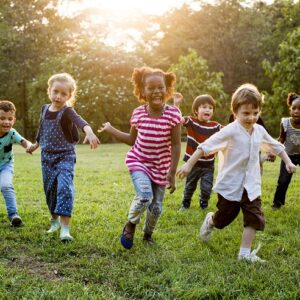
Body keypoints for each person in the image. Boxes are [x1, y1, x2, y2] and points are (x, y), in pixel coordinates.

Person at [177, 83, 297, 262]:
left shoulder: (259, 130)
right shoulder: (230, 131)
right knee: (223, 219)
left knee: (254, 217)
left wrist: (287, 162)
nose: (251, 117)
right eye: (246, 113)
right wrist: (188, 166)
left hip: (251, 185)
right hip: (231, 185)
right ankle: (211, 220)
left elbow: (276, 146)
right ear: (235, 112)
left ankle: (244, 254)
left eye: (255, 113)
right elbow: (205, 147)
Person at [99, 66, 181, 250]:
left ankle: (148, 235)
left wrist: (172, 171)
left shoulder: (173, 115)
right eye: (151, 88)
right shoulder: (138, 113)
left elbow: (176, 145)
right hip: (139, 162)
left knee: (156, 208)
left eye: (160, 87)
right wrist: (111, 130)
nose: (156, 91)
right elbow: (131, 140)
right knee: (144, 196)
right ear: (142, 91)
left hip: (161, 166)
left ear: (166, 89)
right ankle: (130, 225)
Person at [27, 73, 100, 242]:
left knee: (64, 188)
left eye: (63, 94)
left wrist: (89, 132)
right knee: (50, 190)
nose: (58, 96)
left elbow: (81, 122)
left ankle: (65, 229)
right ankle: (54, 222)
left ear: (69, 96)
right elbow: (42, 130)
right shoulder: (44, 109)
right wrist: (35, 146)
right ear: (49, 91)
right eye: (55, 91)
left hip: (65, 156)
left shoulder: (67, 111)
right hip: (46, 158)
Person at [173, 92, 222, 211]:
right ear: (196, 110)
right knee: (190, 186)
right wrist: (176, 105)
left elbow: (229, 132)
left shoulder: (216, 126)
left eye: (210, 108)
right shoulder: (191, 122)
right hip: (193, 164)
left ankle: (203, 203)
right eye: (204, 107)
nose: (208, 110)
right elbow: (177, 120)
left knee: (207, 188)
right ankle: (185, 204)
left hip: (208, 165)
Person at [0, 100, 32, 226]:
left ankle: (13, 215)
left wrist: (30, 146)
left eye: (9, 118)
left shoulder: (12, 133)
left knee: (6, 186)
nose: (6, 122)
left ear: (14, 120)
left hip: (6, 165)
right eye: (2, 118)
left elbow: (24, 142)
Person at [272, 92, 300, 209]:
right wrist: (273, 151)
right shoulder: (285, 123)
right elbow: (281, 139)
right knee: (283, 181)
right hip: (288, 156)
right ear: (290, 109)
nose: (296, 111)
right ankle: (277, 203)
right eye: (294, 108)